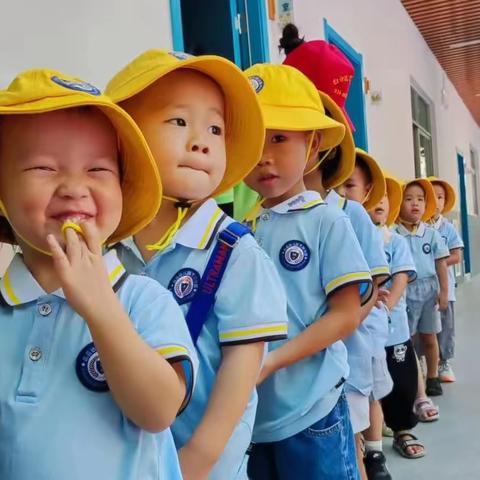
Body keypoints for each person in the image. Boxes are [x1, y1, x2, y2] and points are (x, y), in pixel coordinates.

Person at [0, 68, 198, 479]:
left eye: (98, 170)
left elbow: (160, 410)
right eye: (43, 168)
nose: (74, 187)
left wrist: (101, 309)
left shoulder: (141, 299)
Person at [106, 50, 288, 480]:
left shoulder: (235, 253)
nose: (201, 141)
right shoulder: (106, 249)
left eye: (215, 128)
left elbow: (239, 380)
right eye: (179, 122)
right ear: (123, 139)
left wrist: (193, 464)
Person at [243, 62, 373, 480]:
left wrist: (273, 361)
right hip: (254, 413)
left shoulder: (326, 221)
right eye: (251, 140)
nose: (263, 156)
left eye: (279, 138)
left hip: (312, 409)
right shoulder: (241, 229)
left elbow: (346, 314)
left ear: (314, 144)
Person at [368, 175, 425, 471]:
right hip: (363, 331)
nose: (379, 202)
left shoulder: (396, 240)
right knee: (370, 385)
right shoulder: (354, 236)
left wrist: (386, 308)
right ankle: (372, 437)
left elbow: (401, 276)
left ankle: (403, 429)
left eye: (385, 197)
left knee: (401, 381)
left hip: (394, 330)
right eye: (372, 196)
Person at [395, 178, 449, 397]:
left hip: (429, 290)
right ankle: (409, 379)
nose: (415, 204)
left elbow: (441, 263)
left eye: (420, 199)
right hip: (404, 291)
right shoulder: (393, 234)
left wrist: (444, 291)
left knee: (430, 336)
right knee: (405, 339)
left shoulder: (431, 234)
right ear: (398, 203)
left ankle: (433, 376)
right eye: (408, 199)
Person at [428, 177, 464, 382]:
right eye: (430, 197)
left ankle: (444, 361)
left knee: (445, 325)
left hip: (444, 288)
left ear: (444, 202)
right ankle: (427, 361)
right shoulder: (419, 227)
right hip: (422, 289)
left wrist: (435, 261)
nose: (435, 201)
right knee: (426, 327)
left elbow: (457, 256)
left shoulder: (447, 228)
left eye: (439, 197)